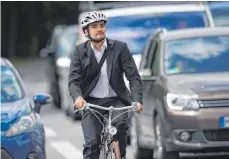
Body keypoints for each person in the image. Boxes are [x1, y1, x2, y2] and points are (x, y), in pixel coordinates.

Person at [68, 11, 143, 159]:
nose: (99, 29)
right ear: (86, 31)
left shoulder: (120, 48)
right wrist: (78, 98)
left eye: (102, 25)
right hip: (91, 102)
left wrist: (137, 100)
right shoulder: (79, 51)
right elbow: (74, 80)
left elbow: (133, 77)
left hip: (117, 100)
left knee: (120, 127)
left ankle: (119, 156)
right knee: (91, 144)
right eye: (94, 26)